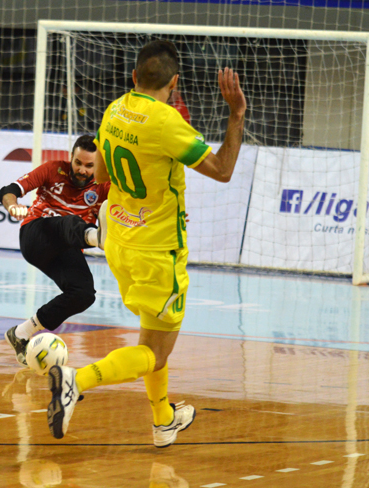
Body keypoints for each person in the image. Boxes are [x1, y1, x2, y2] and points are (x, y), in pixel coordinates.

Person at [46, 40, 246, 447]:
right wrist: (237, 113)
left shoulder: (114, 109)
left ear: (134, 76)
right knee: (155, 351)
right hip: (157, 250)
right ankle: (75, 380)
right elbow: (223, 170)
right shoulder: (167, 122)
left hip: (120, 242)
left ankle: (163, 419)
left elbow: (100, 174)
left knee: (151, 333)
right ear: (174, 82)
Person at [0, 135, 110, 366]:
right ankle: (97, 238)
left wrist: (161, 217)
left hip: (66, 244)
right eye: (78, 163)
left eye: (89, 166)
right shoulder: (52, 169)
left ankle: (20, 333)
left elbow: (140, 205)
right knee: (69, 221)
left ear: (98, 165)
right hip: (36, 235)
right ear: (71, 158)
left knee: (83, 294)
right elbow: (9, 190)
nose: (82, 170)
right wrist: (13, 206)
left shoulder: (105, 186)